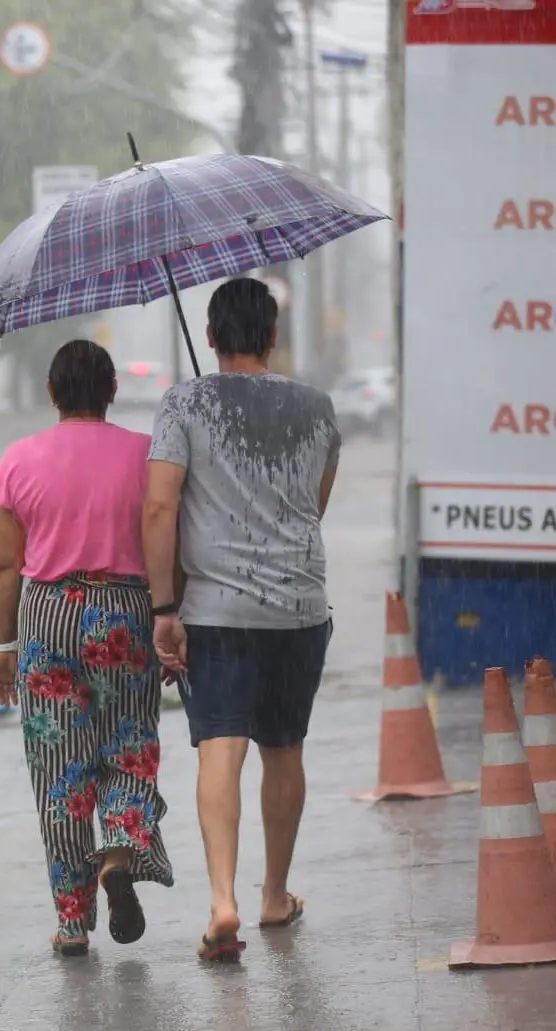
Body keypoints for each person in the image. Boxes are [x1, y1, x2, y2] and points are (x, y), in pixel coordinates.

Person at [141, 277, 340, 963]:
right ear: (273, 336)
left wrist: (164, 606)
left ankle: (222, 900)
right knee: (284, 749)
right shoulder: (316, 408)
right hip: (298, 607)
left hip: (215, 613)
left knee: (220, 751)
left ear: (213, 337)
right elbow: (314, 504)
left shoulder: (183, 404)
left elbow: (160, 508)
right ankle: (274, 895)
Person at [0, 339, 174, 958]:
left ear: (51, 393)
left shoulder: (18, 461)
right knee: (129, 745)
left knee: (60, 773)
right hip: (126, 609)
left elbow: (4, 567)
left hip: (47, 615)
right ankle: (116, 859)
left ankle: (73, 921)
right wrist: (173, 618)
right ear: (112, 389)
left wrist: (2, 646)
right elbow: (167, 539)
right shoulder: (146, 456)